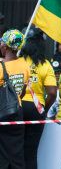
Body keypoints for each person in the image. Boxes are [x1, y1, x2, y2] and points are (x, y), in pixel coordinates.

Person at [20, 27, 57, 169]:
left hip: (17, 107)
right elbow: (52, 93)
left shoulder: (17, 61)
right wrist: (44, 109)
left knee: (15, 150)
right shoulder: (46, 65)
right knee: (31, 152)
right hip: (37, 109)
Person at [0, 29, 30, 168]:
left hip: (2, 113)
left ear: (5, 47)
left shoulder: (1, 67)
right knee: (16, 153)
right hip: (17, 111)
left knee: (2, 156)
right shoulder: (25, 66)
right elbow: (22, 92)